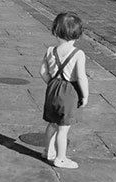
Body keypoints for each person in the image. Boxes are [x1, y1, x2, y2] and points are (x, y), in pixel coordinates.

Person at [39, 12, 89, 169]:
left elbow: (42, 72)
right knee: (63, 128)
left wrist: (52, 83)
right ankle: (61, 158)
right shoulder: (78, 54)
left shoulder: (50, 51)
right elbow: (81, 77)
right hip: (69, 92)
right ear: (78, 34)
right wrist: (85, 95)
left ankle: (48, 151)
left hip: (52, 89)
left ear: (55, 31)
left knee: (52, 124)